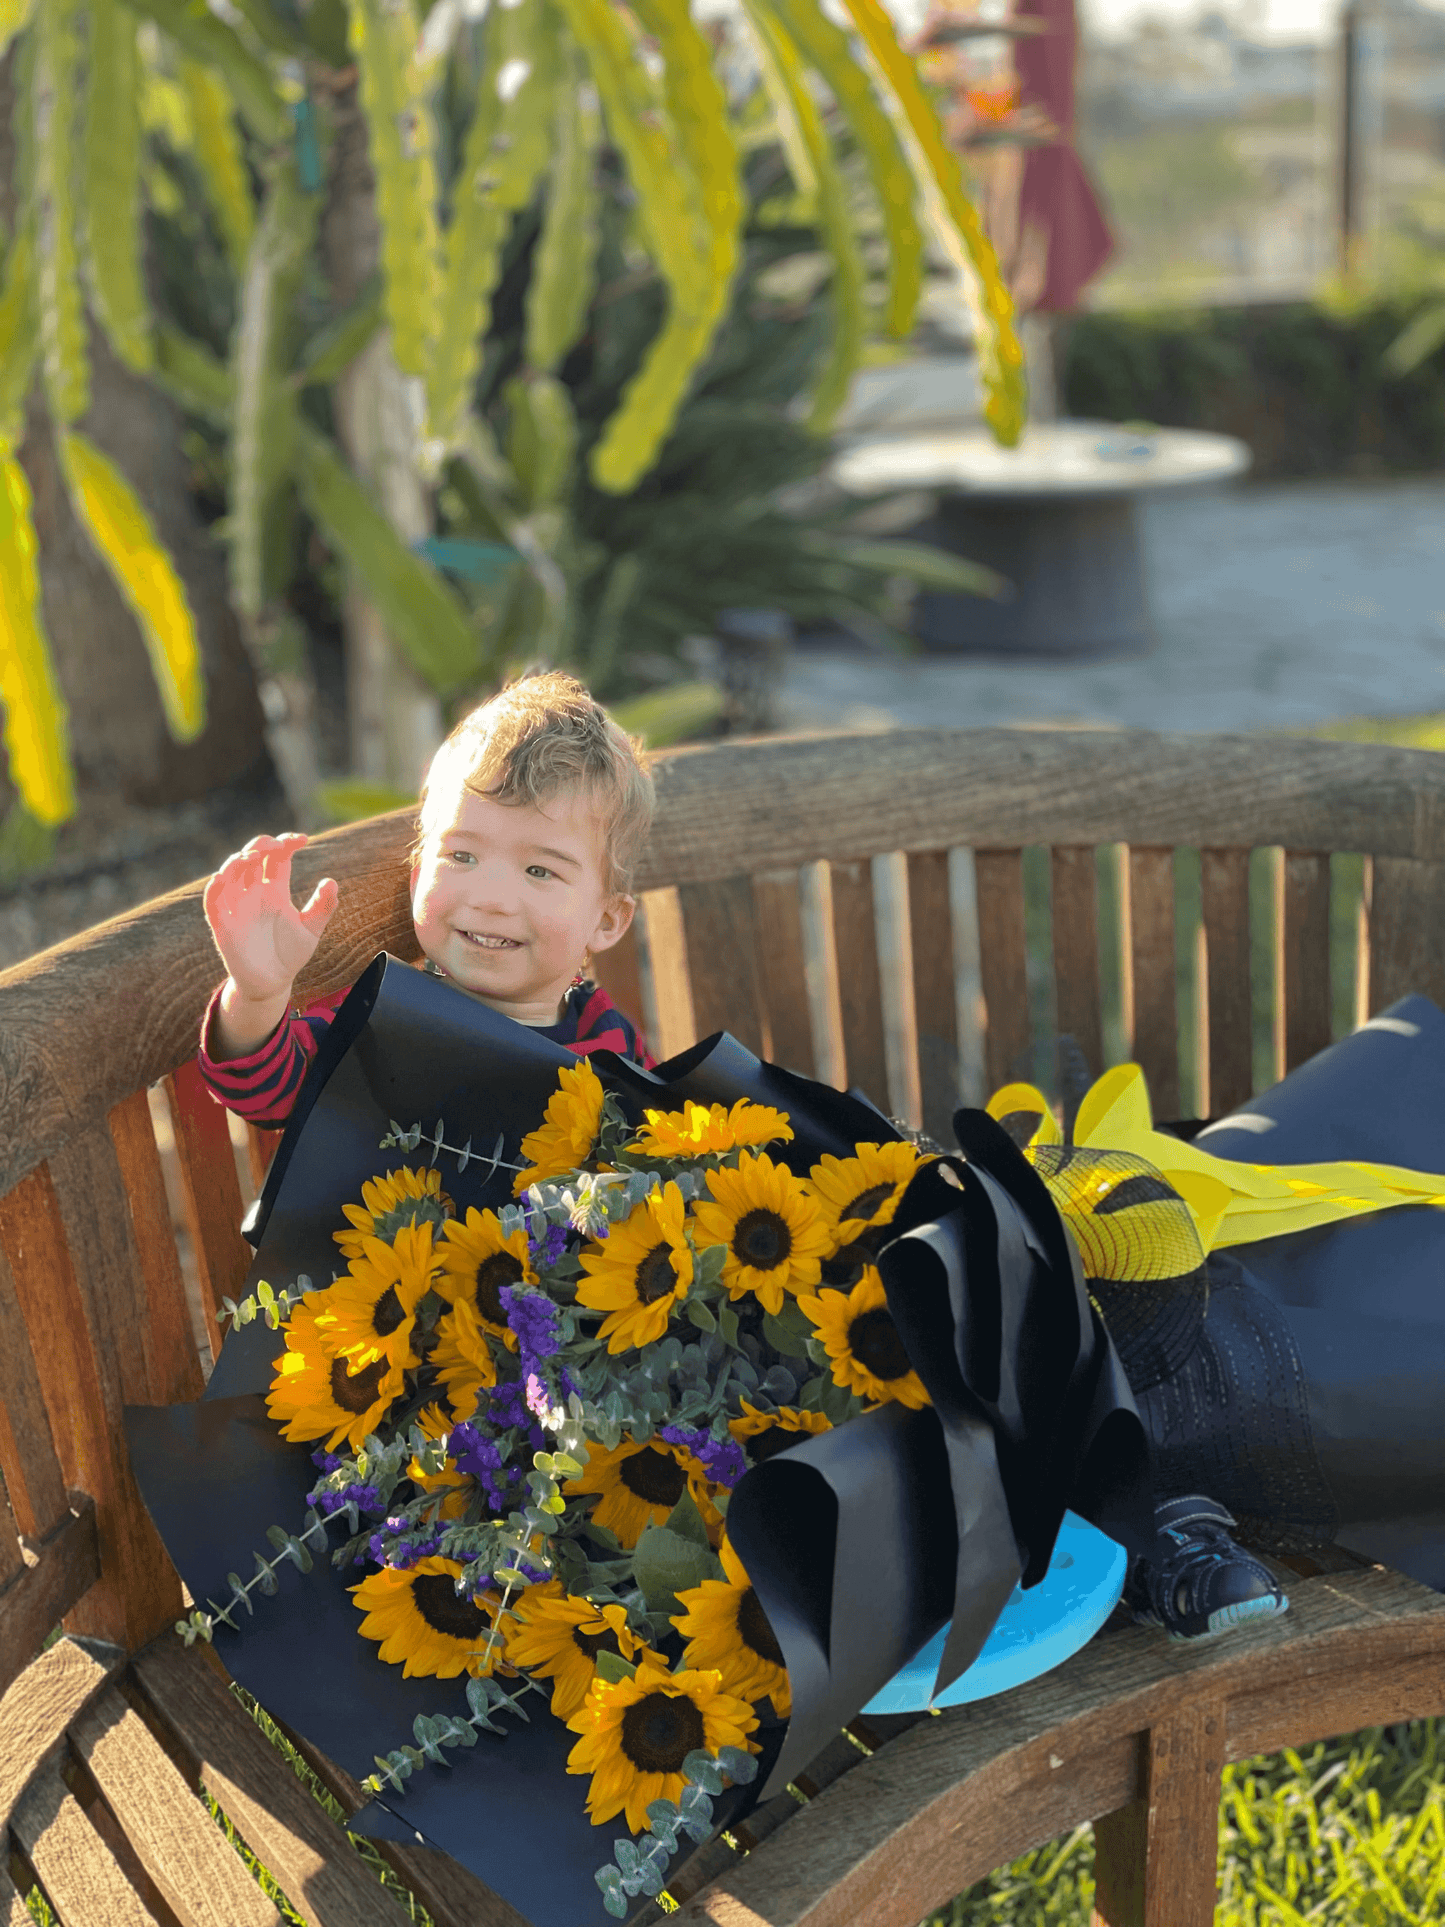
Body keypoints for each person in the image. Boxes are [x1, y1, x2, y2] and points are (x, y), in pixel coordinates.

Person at [199, 670, 656, 1127]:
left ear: (607, 921)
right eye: (461, 855)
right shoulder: (386, 1023)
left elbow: (664, 1146)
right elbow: (267, 1094)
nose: (490, 898)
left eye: (540, 871)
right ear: (418, 878)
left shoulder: (608, 1037)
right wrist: (258, 994)